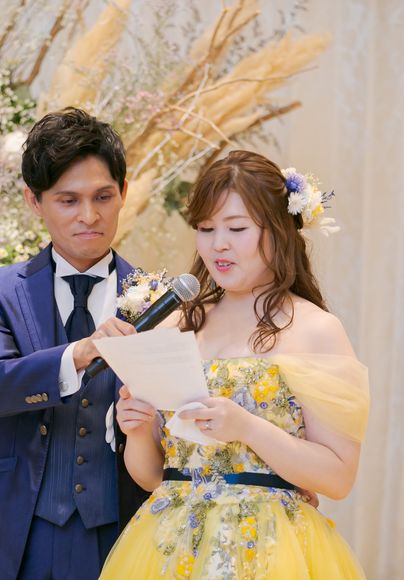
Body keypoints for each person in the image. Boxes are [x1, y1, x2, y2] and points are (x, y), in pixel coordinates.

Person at [100, 150, 369, 578]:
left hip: (271, 550)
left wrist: (246, 427)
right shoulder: (176, 324)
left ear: (278, 230)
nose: (218, 244)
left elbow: (337, 477)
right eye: (206, 229)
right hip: (171, 545)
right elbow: (153, 476)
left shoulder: (317, 329)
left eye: (237, 228)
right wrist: (135, 430)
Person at [0, 108, 150, 580]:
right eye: (68, 200)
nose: (89, 216)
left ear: (124, 193)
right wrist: (79, 352)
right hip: (18, 530)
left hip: (125, 529)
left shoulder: (158, 298)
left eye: (103, 196)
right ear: (34, 200)